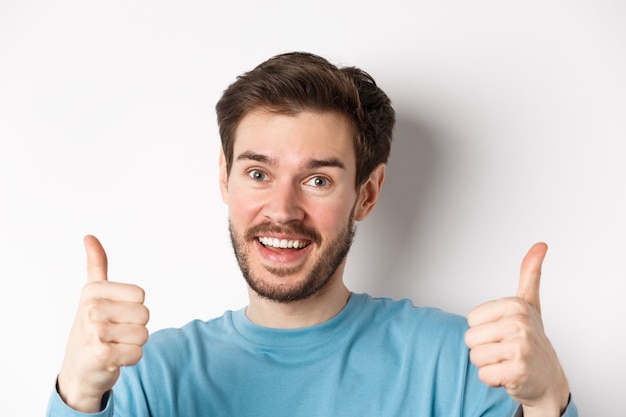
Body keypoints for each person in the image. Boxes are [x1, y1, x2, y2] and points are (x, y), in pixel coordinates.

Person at [47, 52, 578, 417]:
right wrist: (75, 395)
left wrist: (547, 400)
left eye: (317, 180)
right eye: (258, 173)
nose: (282, 209)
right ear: (224, 179)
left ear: (366, 195)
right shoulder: (147, 376)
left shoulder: (459, 364)